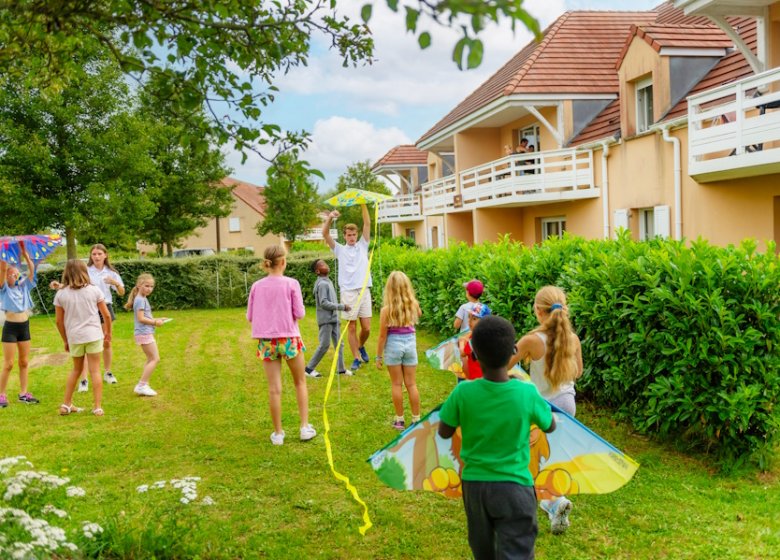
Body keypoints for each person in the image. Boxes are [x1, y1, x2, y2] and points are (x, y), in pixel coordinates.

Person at [439, 315, 556, 560]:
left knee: (484, 552)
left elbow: (444, 431)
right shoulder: (527, 392)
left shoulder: (463, 392)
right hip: (515, 488)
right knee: (517, 553)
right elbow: (550, 425)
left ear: (475, 354)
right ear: (514, 351)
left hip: (475, 489)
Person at [509, 285, 583, 535]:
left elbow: (504, 365)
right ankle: (554, 502)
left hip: (540, 407)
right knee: (554, 455)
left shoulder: (531, 340)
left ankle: (553, 502)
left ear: (539, 312)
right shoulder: (572, 339)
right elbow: (578, 372)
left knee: (532, 458)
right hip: (567, 404)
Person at [247, 245, 316, 445]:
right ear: (283, 262)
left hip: (267, 342)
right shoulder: (292, 284)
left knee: (274, 389)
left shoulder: (256, 286)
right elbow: (300, 313)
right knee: (300, 382)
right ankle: (304, 427)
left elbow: (250, 316)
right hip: (289, 339)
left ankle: (278, 433)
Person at [50, 244, 124, 392]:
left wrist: (114, 282)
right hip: (88, 308)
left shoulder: (111, 272)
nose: (96, 256)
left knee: (106, 342)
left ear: (105, 255)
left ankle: (108, 372)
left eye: (99, 254)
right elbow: (74, 284)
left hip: (105, 307)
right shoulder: (86, 270)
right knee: (84, 343)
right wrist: (60, 285)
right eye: (93, 254)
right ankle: (84, 380)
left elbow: (121, 292)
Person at [54, 259, 112, 416]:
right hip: (94, 335)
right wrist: (108, 333)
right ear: (84, 272)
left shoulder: (61, 294)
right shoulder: (94, 290)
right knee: (95, 371)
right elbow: (106, 315)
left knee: (76, 370)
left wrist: (65, 340)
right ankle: (97, 407)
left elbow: (59, 321)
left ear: (66, 273)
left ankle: (66, 405)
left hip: (74, 337)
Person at [322, 205, 372, 372]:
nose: (351, 237)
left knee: (366, 328)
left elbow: (367, 222)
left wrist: (363, 204)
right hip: (348, 292)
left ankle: (361, 346)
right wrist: (330, 217)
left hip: (364, 290)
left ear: (357, 235)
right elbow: (325, 234)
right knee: (351, 326)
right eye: (349, 235)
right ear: (344, 236)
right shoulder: (340, 250)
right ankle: (356, 358)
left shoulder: (363, 245)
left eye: (354, 234)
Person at [375, 271, 422, 430]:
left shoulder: (386, 310)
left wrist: (378, 356)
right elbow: (419, 314)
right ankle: (416, 419)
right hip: (410, 345)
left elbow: (382, 336)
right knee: (411, 384)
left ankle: (399, 420)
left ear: (389, 289)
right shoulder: (413, 305)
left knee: (396, 384)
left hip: (393, 346)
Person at [0, 244, 39, 408]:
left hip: (24, 326)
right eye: (11, 273)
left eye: (15, 273)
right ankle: (1, 395)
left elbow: (32, 271)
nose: (14, 275)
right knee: (8, 364)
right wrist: (2, 254)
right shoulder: (4, 289)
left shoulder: (23, 287)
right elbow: (2, 270)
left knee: (24, 362)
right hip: (10, 328)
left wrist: (24, 253)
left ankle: (23, 394)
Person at [304, 259, 352, 378]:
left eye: (325, 263)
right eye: (322, 265)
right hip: (326, 320)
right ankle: (308, 369)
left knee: (339, 344)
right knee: (324, 345)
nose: (326, 265)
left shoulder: (328, 281)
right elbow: (324, 303)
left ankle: (341, 369)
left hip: (334, 319)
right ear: (317, 271)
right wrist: (342, 307)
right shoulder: (322, 284)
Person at [124, 273, 167, 397]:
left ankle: (144, 384)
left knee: (150, 359)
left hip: (144, 332)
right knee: (155, 358)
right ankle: (141, 385)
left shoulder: (141, 299)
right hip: (144, 333)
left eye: (151, 286)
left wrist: (159, 319)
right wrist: (155, 322)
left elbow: (144, 317)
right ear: (139, 285)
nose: (149, 289)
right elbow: (141, 318)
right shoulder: (140, 300)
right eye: (146, 286)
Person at [458, 303, 491, 381]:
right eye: (469, 317)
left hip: (475, 379)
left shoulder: (475, 339)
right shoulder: (489, 336)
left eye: (474, 319)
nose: (469, 321)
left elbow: (463, 353)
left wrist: (461, 342)